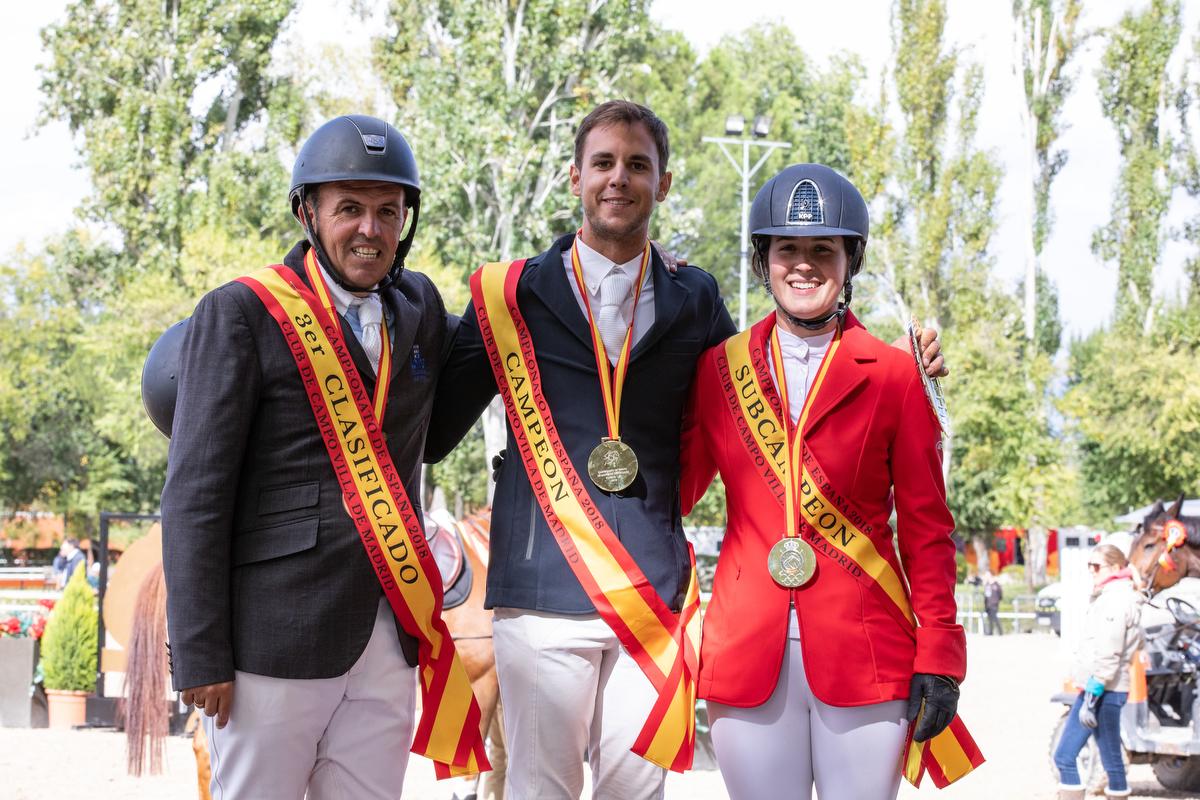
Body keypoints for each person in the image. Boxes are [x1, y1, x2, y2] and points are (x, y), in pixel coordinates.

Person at [427, 104, 946, 799]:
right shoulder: (509, 294)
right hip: (540, 594)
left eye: (637, 165)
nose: (620, 179)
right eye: (604, 163)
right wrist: (398, 308)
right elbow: (432, 432)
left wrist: (903, 369)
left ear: (663, 183)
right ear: (575, 175)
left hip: (650, 598)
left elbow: (784, 397)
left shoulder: (693, 297)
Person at [160, 114, 486, 799]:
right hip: (272, 642)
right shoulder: (240, 314)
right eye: (350, 210)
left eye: (387, 212)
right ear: (308, 212)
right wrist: (199, 651)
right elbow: (195, 495)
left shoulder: (420, 305)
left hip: (387, 641)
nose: (369, 229)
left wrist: (613, 259)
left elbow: (467, 383)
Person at [679, 163, 978, 799]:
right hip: (746, 646)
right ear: (764, 259)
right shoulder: (715, 371)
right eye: (788, 248)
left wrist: (942, 655)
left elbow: (928, 530)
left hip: (868, 650)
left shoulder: (897, 375)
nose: (805, 265)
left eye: (824, 249)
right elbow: (678, 492)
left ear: (850, 261)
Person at [1053, 544, 1142, 800]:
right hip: (1111, 689)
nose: (1091, 571)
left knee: (1064, 756)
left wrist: (1092, 695)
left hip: (1101, 689)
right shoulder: (1122, 596)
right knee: (1112, 759)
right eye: (1089, 566)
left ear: (1115, 568)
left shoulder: (1114, 600)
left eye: (1096, 566)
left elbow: (1109, 652)